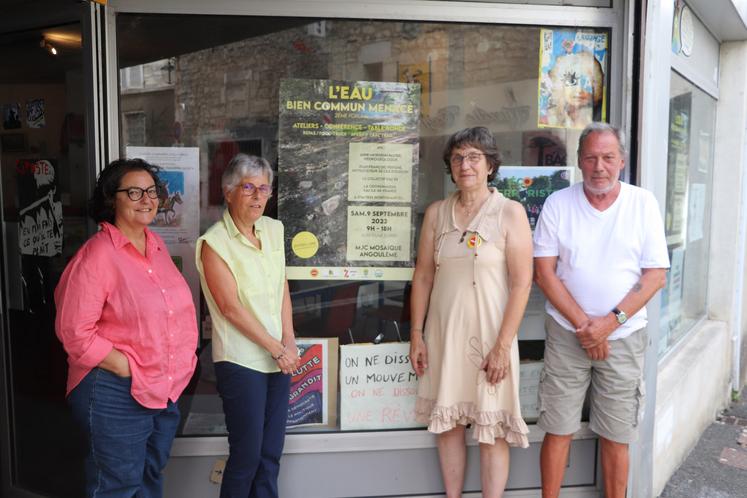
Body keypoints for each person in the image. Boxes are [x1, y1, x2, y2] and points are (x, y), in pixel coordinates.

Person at [533, 122, 669, 498]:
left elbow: (656, 275)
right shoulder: (558, 204)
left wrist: (608, 324)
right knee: (558, 427)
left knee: (617, 433)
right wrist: (585, 327)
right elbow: (543, 273)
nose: (599, 167)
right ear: (579, 161)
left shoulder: (642, 203)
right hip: (567, 333)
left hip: (623, 336)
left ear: (621, 161)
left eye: (608, 157)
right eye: (591, 157)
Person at [55, 158, 198, 498]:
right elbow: (74, 331)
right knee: (116, 485)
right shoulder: (98, 255)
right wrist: (126, 366)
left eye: (152, 191)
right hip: (115, 389)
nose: (146, 199)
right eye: (134, 192)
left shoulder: (156, 247)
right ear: (111, 199)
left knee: (149, 476)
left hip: (163, 389)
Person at [410, 127, 533, 497]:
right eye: (458, 158)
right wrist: (417, 334)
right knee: (447, 424)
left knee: (491, 427)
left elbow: (522, 283)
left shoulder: (510, 213)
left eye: (474, 157)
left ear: (491, 165)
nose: (465, 165)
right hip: (444, 334)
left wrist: (502, 346)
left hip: (493, 338)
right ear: (450, 165)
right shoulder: (436, 213)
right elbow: (423, 277)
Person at [196, 153, 299, 498]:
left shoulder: (273, 229)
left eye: (264, 188)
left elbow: (281, 285)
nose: (258, 196)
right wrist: (277, 349)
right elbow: (229, 308)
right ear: (228, 192)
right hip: (241, 362)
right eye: (248, 188)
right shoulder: (214, 243)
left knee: (270, 455)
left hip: (278, 356)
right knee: (247, 455)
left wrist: (290, 340)